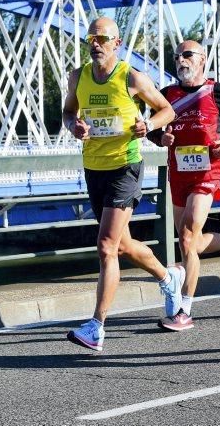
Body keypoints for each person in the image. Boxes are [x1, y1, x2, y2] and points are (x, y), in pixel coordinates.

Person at [63, 17, 179, 351]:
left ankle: (96, 326)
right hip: (93, 167)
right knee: (123, 245)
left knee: (106, 246)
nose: (95, 44)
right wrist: (75, 126)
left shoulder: (131, 76)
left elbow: (166, 110)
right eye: (90, 39)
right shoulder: (78, 76)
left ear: (117, 44)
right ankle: (168, 277)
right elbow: (69, 112)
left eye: (102, 38)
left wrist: (148, 124)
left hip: (125, 167)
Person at [149, 40, 220, 332]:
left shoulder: (216, 90)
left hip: (207, 171)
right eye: (177, 56)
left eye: (187, 55)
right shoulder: (167, 94)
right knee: (191, 243)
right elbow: (149, 127)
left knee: (187, 237)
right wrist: (161, 138)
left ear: (202, 60)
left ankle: (184, 310)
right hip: (178, 173)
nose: (181, 60)